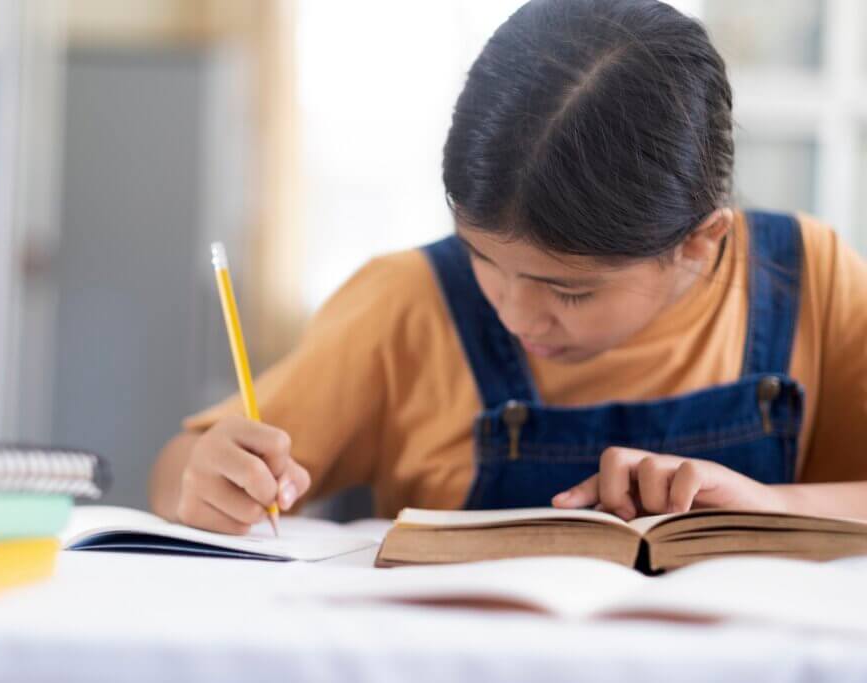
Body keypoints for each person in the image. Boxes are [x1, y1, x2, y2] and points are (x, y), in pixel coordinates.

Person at [150, 0, 867, 533]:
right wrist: (206, 477)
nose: (515, 313)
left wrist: (774, 505)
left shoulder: (810, 278)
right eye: (483, 258)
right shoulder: (405, 303)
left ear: (701, 241)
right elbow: (180, 468)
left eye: (570, 290)